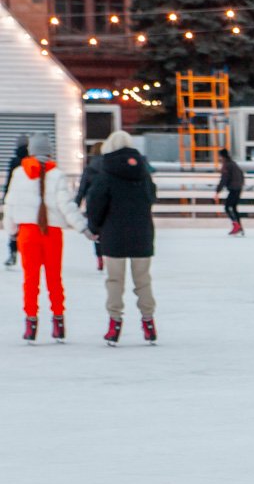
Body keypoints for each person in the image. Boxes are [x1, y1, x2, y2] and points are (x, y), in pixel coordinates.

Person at [2, 132, 90, 342]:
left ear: (31, 151)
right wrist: (83, 228)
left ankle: (30, 323)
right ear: (49, 151)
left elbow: (10, 204)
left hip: (28, 232)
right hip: (51, 232)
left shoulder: (19, 173)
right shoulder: (57, 174)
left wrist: (11, 229)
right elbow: (66, 205)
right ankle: (58, 322)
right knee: (54, 278)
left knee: (30, 279)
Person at [86, 130, 158, 346]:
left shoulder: (106, 173)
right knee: (143, 281)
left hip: (114, 235)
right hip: (142, 234)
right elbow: (151, 197)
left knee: (115, 281)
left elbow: (95, 203)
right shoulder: (143, 172)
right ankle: (149, 323)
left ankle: (114, 325)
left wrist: (95, 227)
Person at [74, 142, 106, 270]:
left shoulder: (89, 168)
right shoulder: (109, 167)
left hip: (92, 203)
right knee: (107, 228)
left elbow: (82, 189)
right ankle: (109, 253)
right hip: (107, 202)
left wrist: (76, 204)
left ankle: (99, 257)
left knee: (95, 232)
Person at [4, 134, 29, 269]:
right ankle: (29, 254)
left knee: (13, 227)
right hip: (30, 200)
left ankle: (13, 252)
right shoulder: (32, 161)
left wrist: (6, 197)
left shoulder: (14, 161)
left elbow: (9, 181)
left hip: (16, 198)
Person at [214, 148, 246, 237]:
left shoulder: (227, 165)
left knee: (227, 207)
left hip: (234, 188)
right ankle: (240, 228)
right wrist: (241, 184)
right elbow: (241, 174)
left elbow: (224, 179)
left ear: (222, 156)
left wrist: (217, 191)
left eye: (219, 156)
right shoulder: (233, 163)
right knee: (234, 208)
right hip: (238, 188)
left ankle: (236, 226)